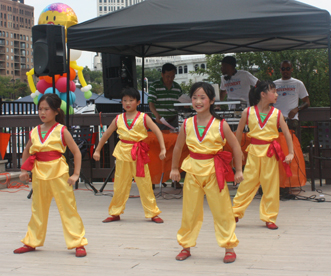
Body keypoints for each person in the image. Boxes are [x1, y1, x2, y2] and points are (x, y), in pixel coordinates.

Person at [170, 82, 244, 263]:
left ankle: (229, 247)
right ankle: (185, 246)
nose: (198, 101)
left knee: (222, 211)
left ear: (211, 101)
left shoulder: (221, 124)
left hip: (214, 171)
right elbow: (178, 147)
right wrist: (174, 168)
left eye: (202, 97)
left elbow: (236, 147)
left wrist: (239, 170)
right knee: (190, 211)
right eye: (195, 97)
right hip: (193, 171)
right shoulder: (187, 123)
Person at [15, 93, 88, 257]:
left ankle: (78, 242)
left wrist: (76, 174)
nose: (42, 112)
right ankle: (32, 241)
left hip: (58, 172)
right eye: (40, 109)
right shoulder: (34, 131)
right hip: (39, 173)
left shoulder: (62, 130)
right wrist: (23, 170)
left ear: (56, 111)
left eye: (46, 109)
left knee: (68, 208)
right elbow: (27, 150)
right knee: (37, 209)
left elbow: (76, 152)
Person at [93, 87, 166, 223]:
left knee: (144, 184)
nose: (127, 103)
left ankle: (153, 213)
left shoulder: (144, 117)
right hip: (122, 153)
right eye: (125, 100)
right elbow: (107, 134)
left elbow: (157, 131)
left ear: (138, 102)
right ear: (121, 102)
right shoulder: (118, 119)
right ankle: (115, 212)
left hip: (139, 153)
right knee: (120, 184)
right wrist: (97, 149)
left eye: (131, 100)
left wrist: (163, 148)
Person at [232, 81, 294, 230]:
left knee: (270, 186)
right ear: (263, 94)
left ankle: (269, 217)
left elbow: (286, 133)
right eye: (274, 91)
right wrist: (238, 150)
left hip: (270, 153)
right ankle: (235, 212)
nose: (277, 94)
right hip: (254, 151)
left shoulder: (277, 113)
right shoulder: (248, 112)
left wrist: (291, 152)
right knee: (247, 183)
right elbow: (239, 132)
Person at [273, 60, 310, 135]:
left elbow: (307, 102)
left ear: (291, 69)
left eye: (288, 68)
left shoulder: (298, 83)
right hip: (276, 120)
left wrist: (297, 109)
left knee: (292, 144)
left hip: (292, 120)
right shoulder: (274, 84)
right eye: (283, 69)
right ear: (280, 70)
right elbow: (268, 102)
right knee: (277, 145)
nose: (285, 71)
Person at [148, 63, 183, 130]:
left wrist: (185, 105)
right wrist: (157, 115)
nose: (170, 79)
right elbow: (151, 104)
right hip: (158, 122)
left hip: (173, 121)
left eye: (172, 76)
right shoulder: (155, 86)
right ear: (162, 74)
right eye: (167, 76)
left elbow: (180, 103)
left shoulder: (177, 87)